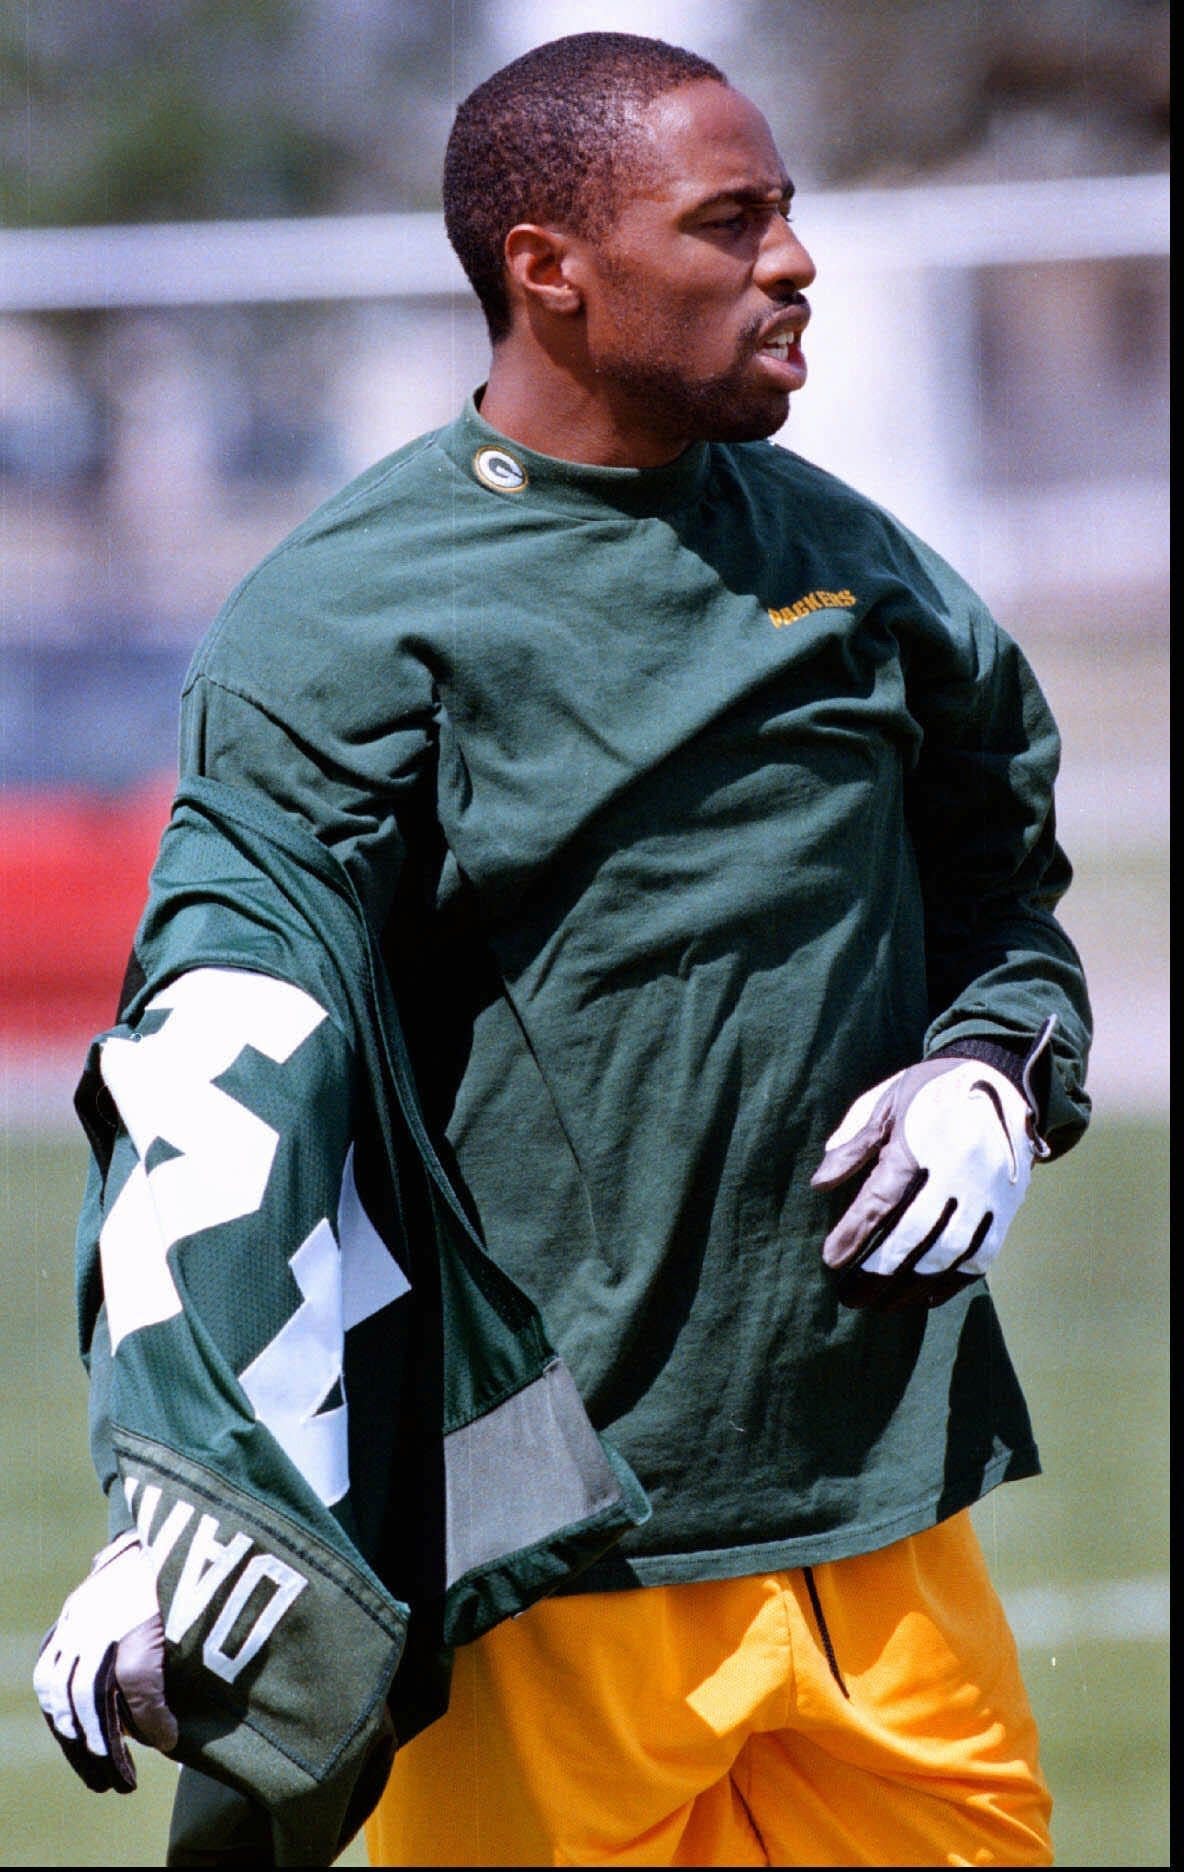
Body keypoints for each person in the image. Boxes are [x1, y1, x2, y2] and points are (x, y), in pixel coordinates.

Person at [34, 29, 1092, 1870]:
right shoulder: (343, 622)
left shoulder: (870, 571)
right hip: (547, 1543)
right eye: (732, 221)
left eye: (790, 213)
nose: (797, 261)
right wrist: (179, 1492)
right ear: (550, 267)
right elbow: (215, 1065)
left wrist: (995, 1068)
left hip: (883, 1517)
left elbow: (1009, 892)